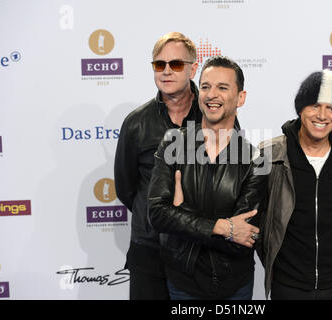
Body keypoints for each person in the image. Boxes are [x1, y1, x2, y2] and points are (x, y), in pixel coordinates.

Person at [147, 56, 267, 300]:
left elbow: (244, 237)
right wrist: (223, 227)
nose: (212, 95)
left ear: (240, 98)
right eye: (205, 87)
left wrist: (182, 212)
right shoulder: (174, 143)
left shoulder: (255, 159)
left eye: (223, 88)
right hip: (184, 284)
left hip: (236, 286)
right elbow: (157, 214)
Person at [257, 69, 332, 300]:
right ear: (301, 108)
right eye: (315, 105)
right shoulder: (270, 153)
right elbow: (258, 219)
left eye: (331, 107)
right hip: (289, 285)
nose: (322, 115)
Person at [114, 32, 202, 300]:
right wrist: (158, 214)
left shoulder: (217, 116)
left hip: (200, 248)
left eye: (175, 64)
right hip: (149, 248)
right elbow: (126, 189)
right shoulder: (135, 123)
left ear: (193, 69)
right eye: (158, 64)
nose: (166, 71)